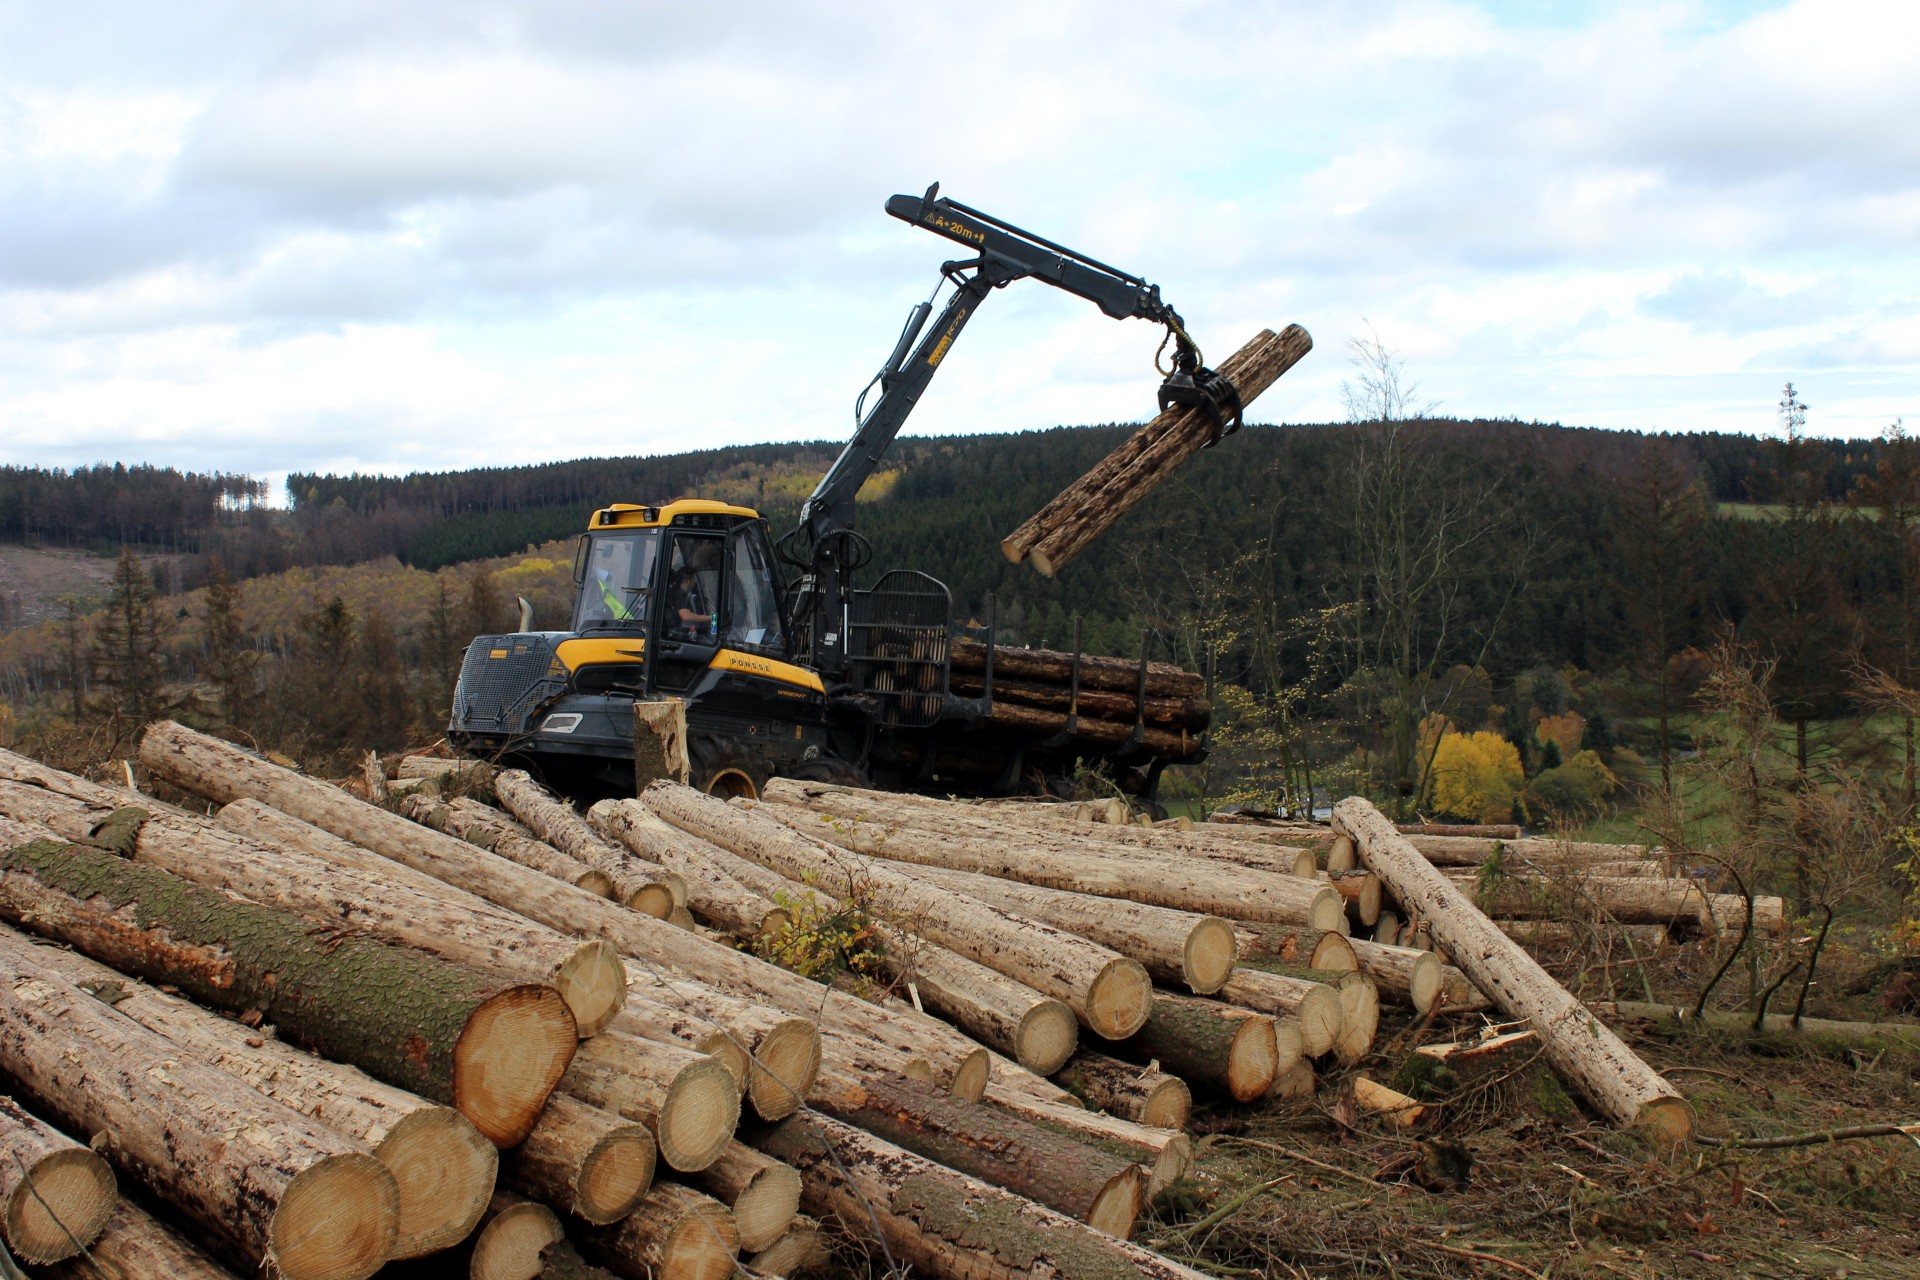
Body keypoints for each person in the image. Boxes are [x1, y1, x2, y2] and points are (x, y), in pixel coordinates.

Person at [672, 566, 713, 638]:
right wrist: (710, 618)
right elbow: (686, 616)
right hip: (679, 635)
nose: (695, 582)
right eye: (694, 579)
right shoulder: (679, 593)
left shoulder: (684, 594)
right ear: (687, 581)